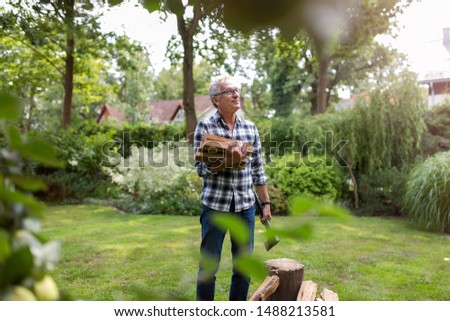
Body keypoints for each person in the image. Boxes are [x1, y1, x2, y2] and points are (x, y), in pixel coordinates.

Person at [194, 75, 272, 301]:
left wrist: (265, 204)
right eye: (229, 91)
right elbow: (200, 168)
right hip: (215, 206)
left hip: (245, 207)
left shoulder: (250, 128)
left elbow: (258, 169)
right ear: (216, 100)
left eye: (237, 90)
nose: (236, 94)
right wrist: (226, 161)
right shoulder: (206, 126)